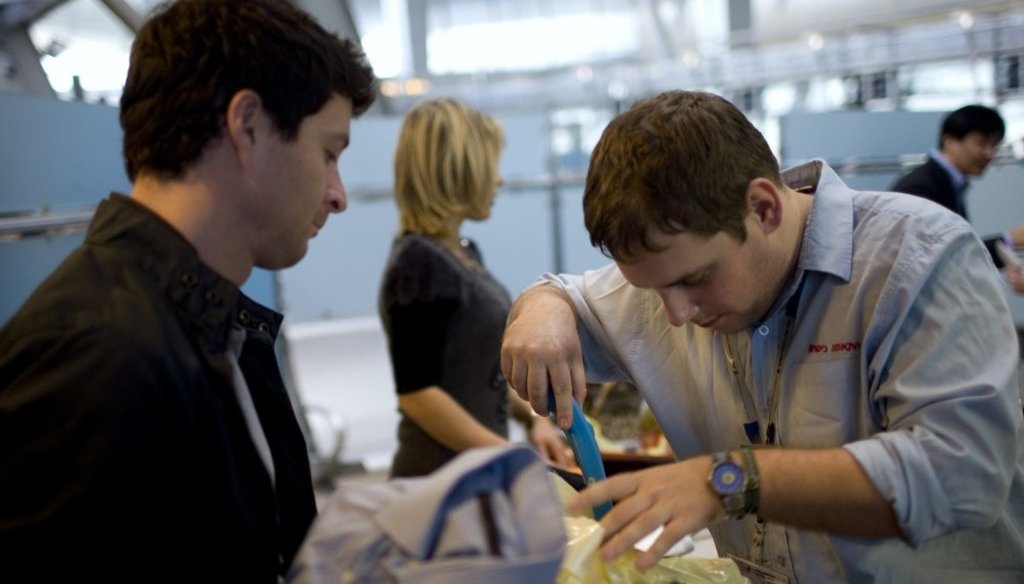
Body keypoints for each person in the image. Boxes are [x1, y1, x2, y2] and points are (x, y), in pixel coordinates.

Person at [501, 90, 1024, 582]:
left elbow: (962, 472)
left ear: (764, 208)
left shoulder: (917, 258)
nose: (676, 314)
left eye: (694, 279)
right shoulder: (674, 279)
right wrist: (541, 310)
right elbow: (567, 294)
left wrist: (732, 479)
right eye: (655, 289)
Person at [0, 1, 375, 582]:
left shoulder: (199, 327)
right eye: (328, 153)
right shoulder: (97, 353)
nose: (338, 194)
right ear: (246, 125)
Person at [378, 99, 568, 478]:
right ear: (456, 170)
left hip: (473, 474)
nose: (499, 179)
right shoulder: (419, 263)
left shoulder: (461, 253)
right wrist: (507, 454)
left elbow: (483, 367)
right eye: (490, 166)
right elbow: (419, 394)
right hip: (438, 480)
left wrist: (534, 421)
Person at [890, 104, 1024, 272]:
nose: (989, 153)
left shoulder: (946, 182)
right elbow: (945, 258)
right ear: (950, 141)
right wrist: (1009, 240)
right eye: (981, 143)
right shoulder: (922, 187)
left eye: (994, 145)